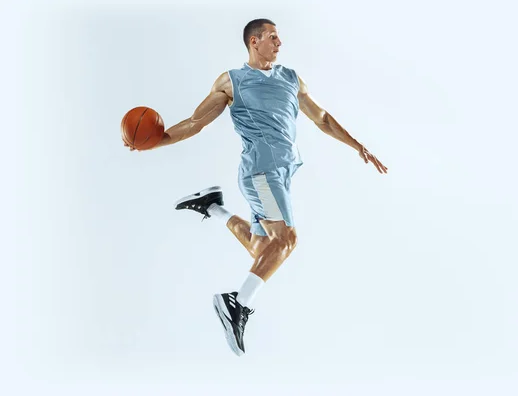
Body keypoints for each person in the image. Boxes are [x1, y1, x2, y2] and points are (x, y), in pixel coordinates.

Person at [124, 18, 388, 356]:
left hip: (283, 173)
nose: (280, 43)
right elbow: (195, 123)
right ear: (254, 41)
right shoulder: (232, 81)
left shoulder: (291, 79)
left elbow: (321, 118)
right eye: (273, 37)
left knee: (262, 249)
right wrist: (153, 142)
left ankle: (212, 207)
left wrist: (357, 145)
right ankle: (237, 303)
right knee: (286, 240)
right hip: (261, 173)